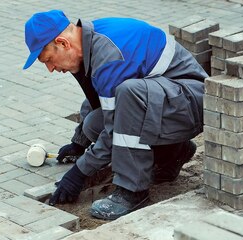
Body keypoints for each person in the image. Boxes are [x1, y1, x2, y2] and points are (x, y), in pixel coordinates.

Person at [22, 10, 206, 219]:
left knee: (128, 95)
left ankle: (133, 191)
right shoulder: (89, 42)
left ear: (63, 43)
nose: (50, 69)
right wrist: (79, 142)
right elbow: (100, 97)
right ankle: (173, 152)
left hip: (191, 102)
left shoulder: (109, 56)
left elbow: (113, 131)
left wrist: (79, 173)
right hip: (169, 103)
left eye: (48, 60)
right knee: (92, 124)